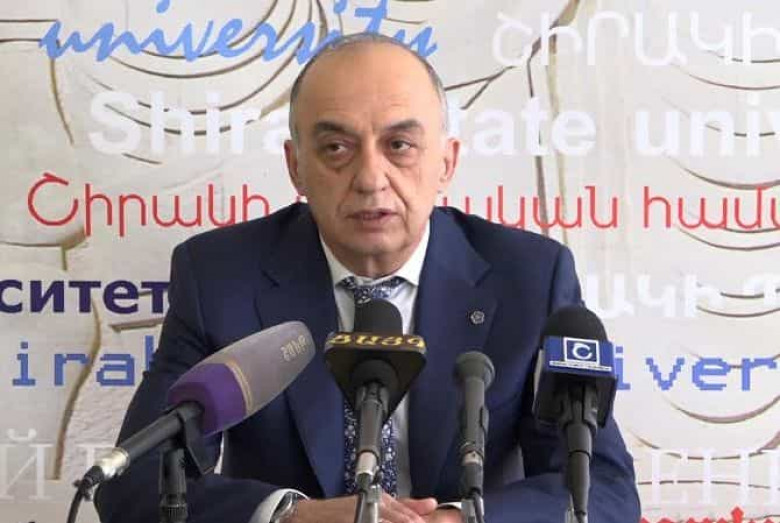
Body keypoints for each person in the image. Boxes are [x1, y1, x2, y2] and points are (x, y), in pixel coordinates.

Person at [95, 33, 641, 523]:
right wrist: (291, 518)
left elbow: (604, 491)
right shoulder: (220, 277)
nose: (370, 178)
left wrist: (461, 521)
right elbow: (134, 485)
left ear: (446, 162)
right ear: (295, 167)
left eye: (399, 146)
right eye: (337, 148)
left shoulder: (531, 277)